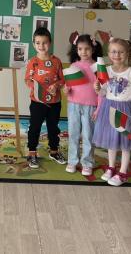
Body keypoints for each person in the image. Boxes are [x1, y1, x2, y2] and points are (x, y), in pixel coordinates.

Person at [92, 38, 131, 186]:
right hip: (108, 107)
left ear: (127, 54)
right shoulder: (106, 70)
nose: (117, 55)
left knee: (125, 143)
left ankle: (123, 172)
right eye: (113, 52)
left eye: (121, 52)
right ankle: (111, 167)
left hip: (125, 109)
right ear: (108, 54)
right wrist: (98, 89)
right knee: (110, 140)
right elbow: (104, 92)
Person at [24, 27, 66, 169]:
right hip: (37, 102)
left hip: (54, 102)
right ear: (33, 44)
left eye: (45, 42)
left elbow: (62, 80)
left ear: (50, 43)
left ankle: (54, 151)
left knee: (53, 128)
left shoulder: (57, 61)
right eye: (38, 43)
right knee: (34, 127)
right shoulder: (33, 62)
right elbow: (27, 80)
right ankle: (32, 153)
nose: (41, 46)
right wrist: (36, 88)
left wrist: (56, 85)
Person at [62, 33, 103, 176]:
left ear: (93, 49)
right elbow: (68, 86)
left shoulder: (97, 67)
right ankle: (72, 161)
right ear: (76, 49)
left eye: (87, 49)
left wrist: (98, 108)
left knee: (88, 135)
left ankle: (87, 163)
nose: (83, 52)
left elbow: (102, 90)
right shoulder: (73, 65)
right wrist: (66, 90)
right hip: (73, 105)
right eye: (80, 49)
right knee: (73, 134)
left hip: (90, 106)